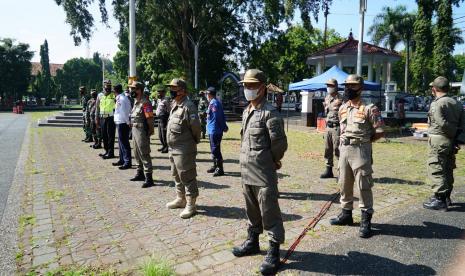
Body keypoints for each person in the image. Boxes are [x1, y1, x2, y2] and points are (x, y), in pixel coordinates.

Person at [232, 69, 288, 275]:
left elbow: (280, 144)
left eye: (252, 85)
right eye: (245, 85)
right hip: (246, 170)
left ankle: (274, 251)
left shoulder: (270, 113)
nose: (247, 89)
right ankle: (253, 240)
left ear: (262, 88)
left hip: (263, 172)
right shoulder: (247, 110)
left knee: (269, 211)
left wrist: (272, 160)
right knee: (251, 209)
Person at [329, 74, 384, 239]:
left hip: (360, 150)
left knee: (363, 185)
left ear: (361, 88)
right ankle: (346, 214)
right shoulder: (343, 108)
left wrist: (364, 142)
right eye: (347, 85)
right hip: (344, 150)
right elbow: (342, 129)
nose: (348, 89)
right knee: (344, 183)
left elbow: (380, 132)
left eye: (352, 86)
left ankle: (366, 220)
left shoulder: (370, 108)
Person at [423, 76, 465, 211]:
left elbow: (440, 122)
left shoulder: (437, 103)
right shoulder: (456, 102)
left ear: (435, 89)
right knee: (447, 168)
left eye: (432, 88)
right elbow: (463, 123)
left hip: (439, 139)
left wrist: (451, 133)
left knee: (436, 167)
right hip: (451, 140)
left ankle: (439, 199)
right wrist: (457, 138)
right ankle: (446, 197)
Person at [165, 78, 201, 219]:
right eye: (171, 88)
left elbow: (196, 128)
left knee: (187, 176)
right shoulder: (175, 104)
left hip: (184, 147)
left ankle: (191, 204)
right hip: (173, 147)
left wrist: (192, 142)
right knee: (176, 174)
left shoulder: (189, 106)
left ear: (183, 90)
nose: (171, 91)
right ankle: (181, 198)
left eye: (174, 88)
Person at [129, 81, 155, 188]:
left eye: (134, 89)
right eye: (131, 89)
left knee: (144, 152)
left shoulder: (145, 103)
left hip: (141, 130)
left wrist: (150, 130)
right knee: (136, 152)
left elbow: (149, 118)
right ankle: (140, 173)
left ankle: (149, 178)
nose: (132, 91)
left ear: (140, 90)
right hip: (134, 130)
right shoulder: (136, 102)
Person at [321, 78, 343, 178]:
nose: (329, 87)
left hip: (337, 127)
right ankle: (328, 170)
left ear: (336, 87)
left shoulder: (341, 98)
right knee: (327, 149)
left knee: (338, 149)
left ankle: (342, 172)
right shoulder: (327, 98)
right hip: (328, 127)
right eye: (328, 85)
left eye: (331, 85)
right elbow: (327, 113)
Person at [205, 86, 228, 177]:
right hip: (211, 129)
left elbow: (218, 117)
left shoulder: (215, 103)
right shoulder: (212, 103)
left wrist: (224, 127)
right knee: (213, 149)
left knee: (215, 149)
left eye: (207, 94)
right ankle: (215, 166)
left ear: (210, 94)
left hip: (215, 130)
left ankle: (220, 169)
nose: (206, 95)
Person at [112, 84, 132, 170]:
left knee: (124, 143)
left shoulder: (122, 99)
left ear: (115, 91)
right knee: (120, 143)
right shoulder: (121, 98)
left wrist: (128, 122)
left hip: (123, 123)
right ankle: (122, 159)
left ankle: (127, 162)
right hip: (120, 122)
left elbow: (124, 112)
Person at [99, 80, 116, 159]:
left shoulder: (114, 95)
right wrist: (97, 117)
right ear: (103, 88)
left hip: (111, 118)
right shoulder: (101, 96)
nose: (108, 89)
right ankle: (106, 151)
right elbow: (97, 107)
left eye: (109, 87)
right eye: (106, 88)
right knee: (104, 135)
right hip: (102, 118)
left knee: (110, 136)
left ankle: (111, 153)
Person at [155, 85, 170, 153]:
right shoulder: (159, 100)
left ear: (163, 93)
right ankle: (163, 145)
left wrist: (168, 119)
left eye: (160, 92)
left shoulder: (166, 100)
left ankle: (167, 147)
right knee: (160, 134)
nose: (158, 94)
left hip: (164, 118)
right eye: (157, 92)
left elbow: (169, 110)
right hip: (159, 118)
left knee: (164, 134)